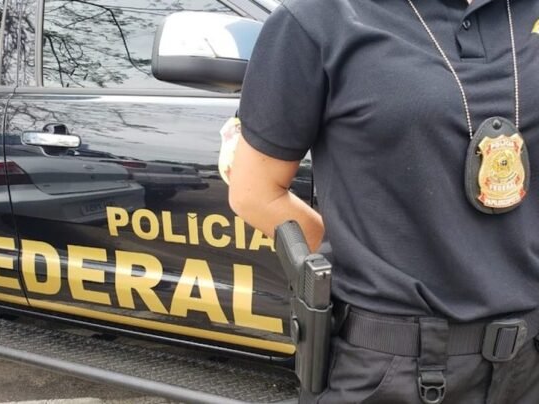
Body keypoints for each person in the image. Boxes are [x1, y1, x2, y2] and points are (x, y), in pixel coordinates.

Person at [228, 0, 539, 403]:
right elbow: (255, 191)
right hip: (393, 370)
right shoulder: (321, 17)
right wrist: (363, 261)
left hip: (529, 362)